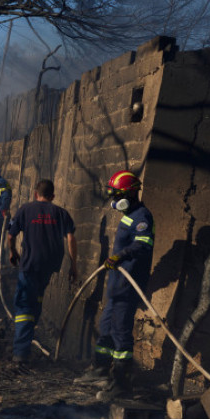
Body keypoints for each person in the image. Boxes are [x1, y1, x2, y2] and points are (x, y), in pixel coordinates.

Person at [79, 170, 155, 400]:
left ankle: (121, 384)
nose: (114, 200)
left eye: (117, 195)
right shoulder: (128, 215)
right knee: (106, 327)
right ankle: (100, 368)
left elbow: (143, 246)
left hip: (127, 286)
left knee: (121, 333)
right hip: (116, 285)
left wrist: (120, 256)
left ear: (130, 193)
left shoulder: (143, 217)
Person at [6, 179, 78, 365]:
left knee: (23, 305)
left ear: (35, 193)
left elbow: (11, 235)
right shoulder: (61, 213)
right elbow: (71, 239)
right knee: (37, 296)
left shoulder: (26, 209)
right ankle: (31, 329)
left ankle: (20, 354)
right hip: (50, 265)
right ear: (53, 196)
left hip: (30, 264)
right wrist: (73, 265)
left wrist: (13, 252)